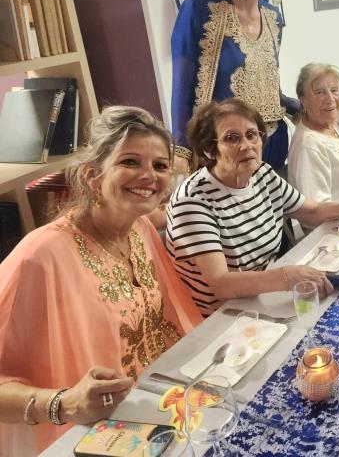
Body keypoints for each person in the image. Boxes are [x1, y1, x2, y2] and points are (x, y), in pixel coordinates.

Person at [0, 107, 202, 455]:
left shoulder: (139, 228)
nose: (149, 176)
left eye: (160, 166)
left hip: (154, 415)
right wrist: (64, 403)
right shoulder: (41, 257)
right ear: (93, 174)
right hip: (86, 435)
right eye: (130, 162)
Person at [167, 98, 339, 316]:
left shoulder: (262, 174)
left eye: (251, 135)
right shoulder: (193, 201)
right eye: (231, 138)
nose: (246, 145)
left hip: (262, 297)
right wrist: (287, 277)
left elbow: (311, 212)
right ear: (210, 149)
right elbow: (222, 284)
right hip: (221, 316)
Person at [171, 0, 297, 175]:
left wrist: (302, 105)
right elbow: (182, 86)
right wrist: (181, 150)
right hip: (223, 148)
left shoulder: (273, 17)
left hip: (272, 142)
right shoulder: (200, 9)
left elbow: (266, 81)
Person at [288, 63, 339, 204]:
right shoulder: (308, 145)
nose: (330, 98)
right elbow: (316, 209)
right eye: (319, 92)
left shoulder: (330, 126)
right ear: (303, 100)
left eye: (334, 90)